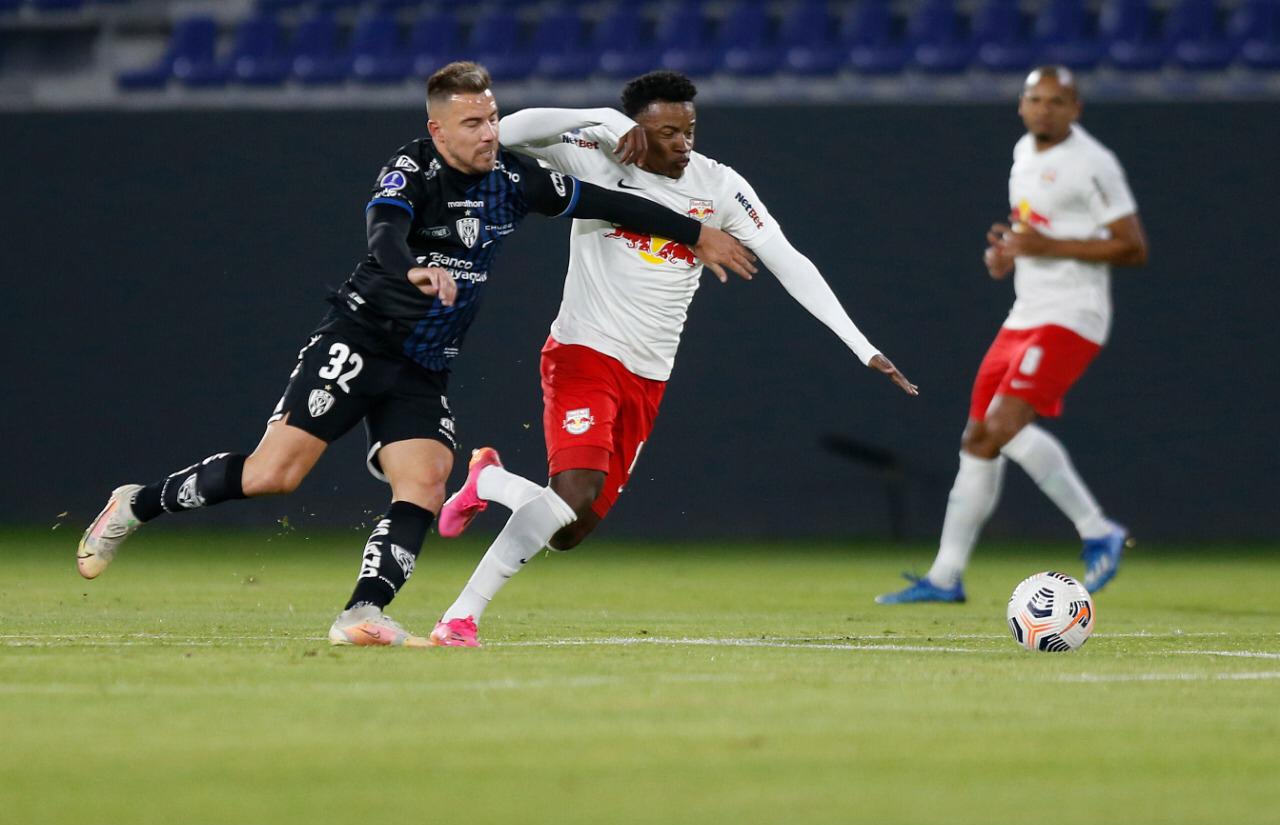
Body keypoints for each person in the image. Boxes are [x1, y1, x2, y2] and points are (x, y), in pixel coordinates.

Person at [75, 61, 754, 647]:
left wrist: (696, 233)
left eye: (492, 119)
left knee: (426, 481)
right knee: (273, 475)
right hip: (360, 339)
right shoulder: (413, 169)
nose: (488, 133)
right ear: (438, 130)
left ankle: (362, 611)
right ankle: (137, 504)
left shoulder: (514, 179)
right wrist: (412, 271)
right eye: (472, 123)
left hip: (424, 364)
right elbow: (383, 233)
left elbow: (607, 201)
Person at [427, 70, 918, 648]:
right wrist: (602, 119)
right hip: (583, 351)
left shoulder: (719, 186)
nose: (683, 144)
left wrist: (862, 346)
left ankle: (489, 480)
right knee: (574, 490)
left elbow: (789, 261)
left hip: (649, 375)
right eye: (666, 132)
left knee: (567, 531)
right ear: (636, 129)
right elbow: (508, 131)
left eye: (689, 130)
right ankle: (460, 618)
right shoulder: (595, 153)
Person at [876, 66, 1147, 605]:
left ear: (1075, 109)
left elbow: (1132, 247)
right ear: (1021, 105)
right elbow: (1034, 229)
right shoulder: (1024, 152)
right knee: (979, 439)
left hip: (1072, 314)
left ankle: (1097, 529)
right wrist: (1008, 255)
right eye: (1035, 99)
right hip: (1025, 312)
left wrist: (1047, 248)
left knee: (1003, 425)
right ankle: (945, 577)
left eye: (1056, 101)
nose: (1044, 109)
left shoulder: (1093, 163)